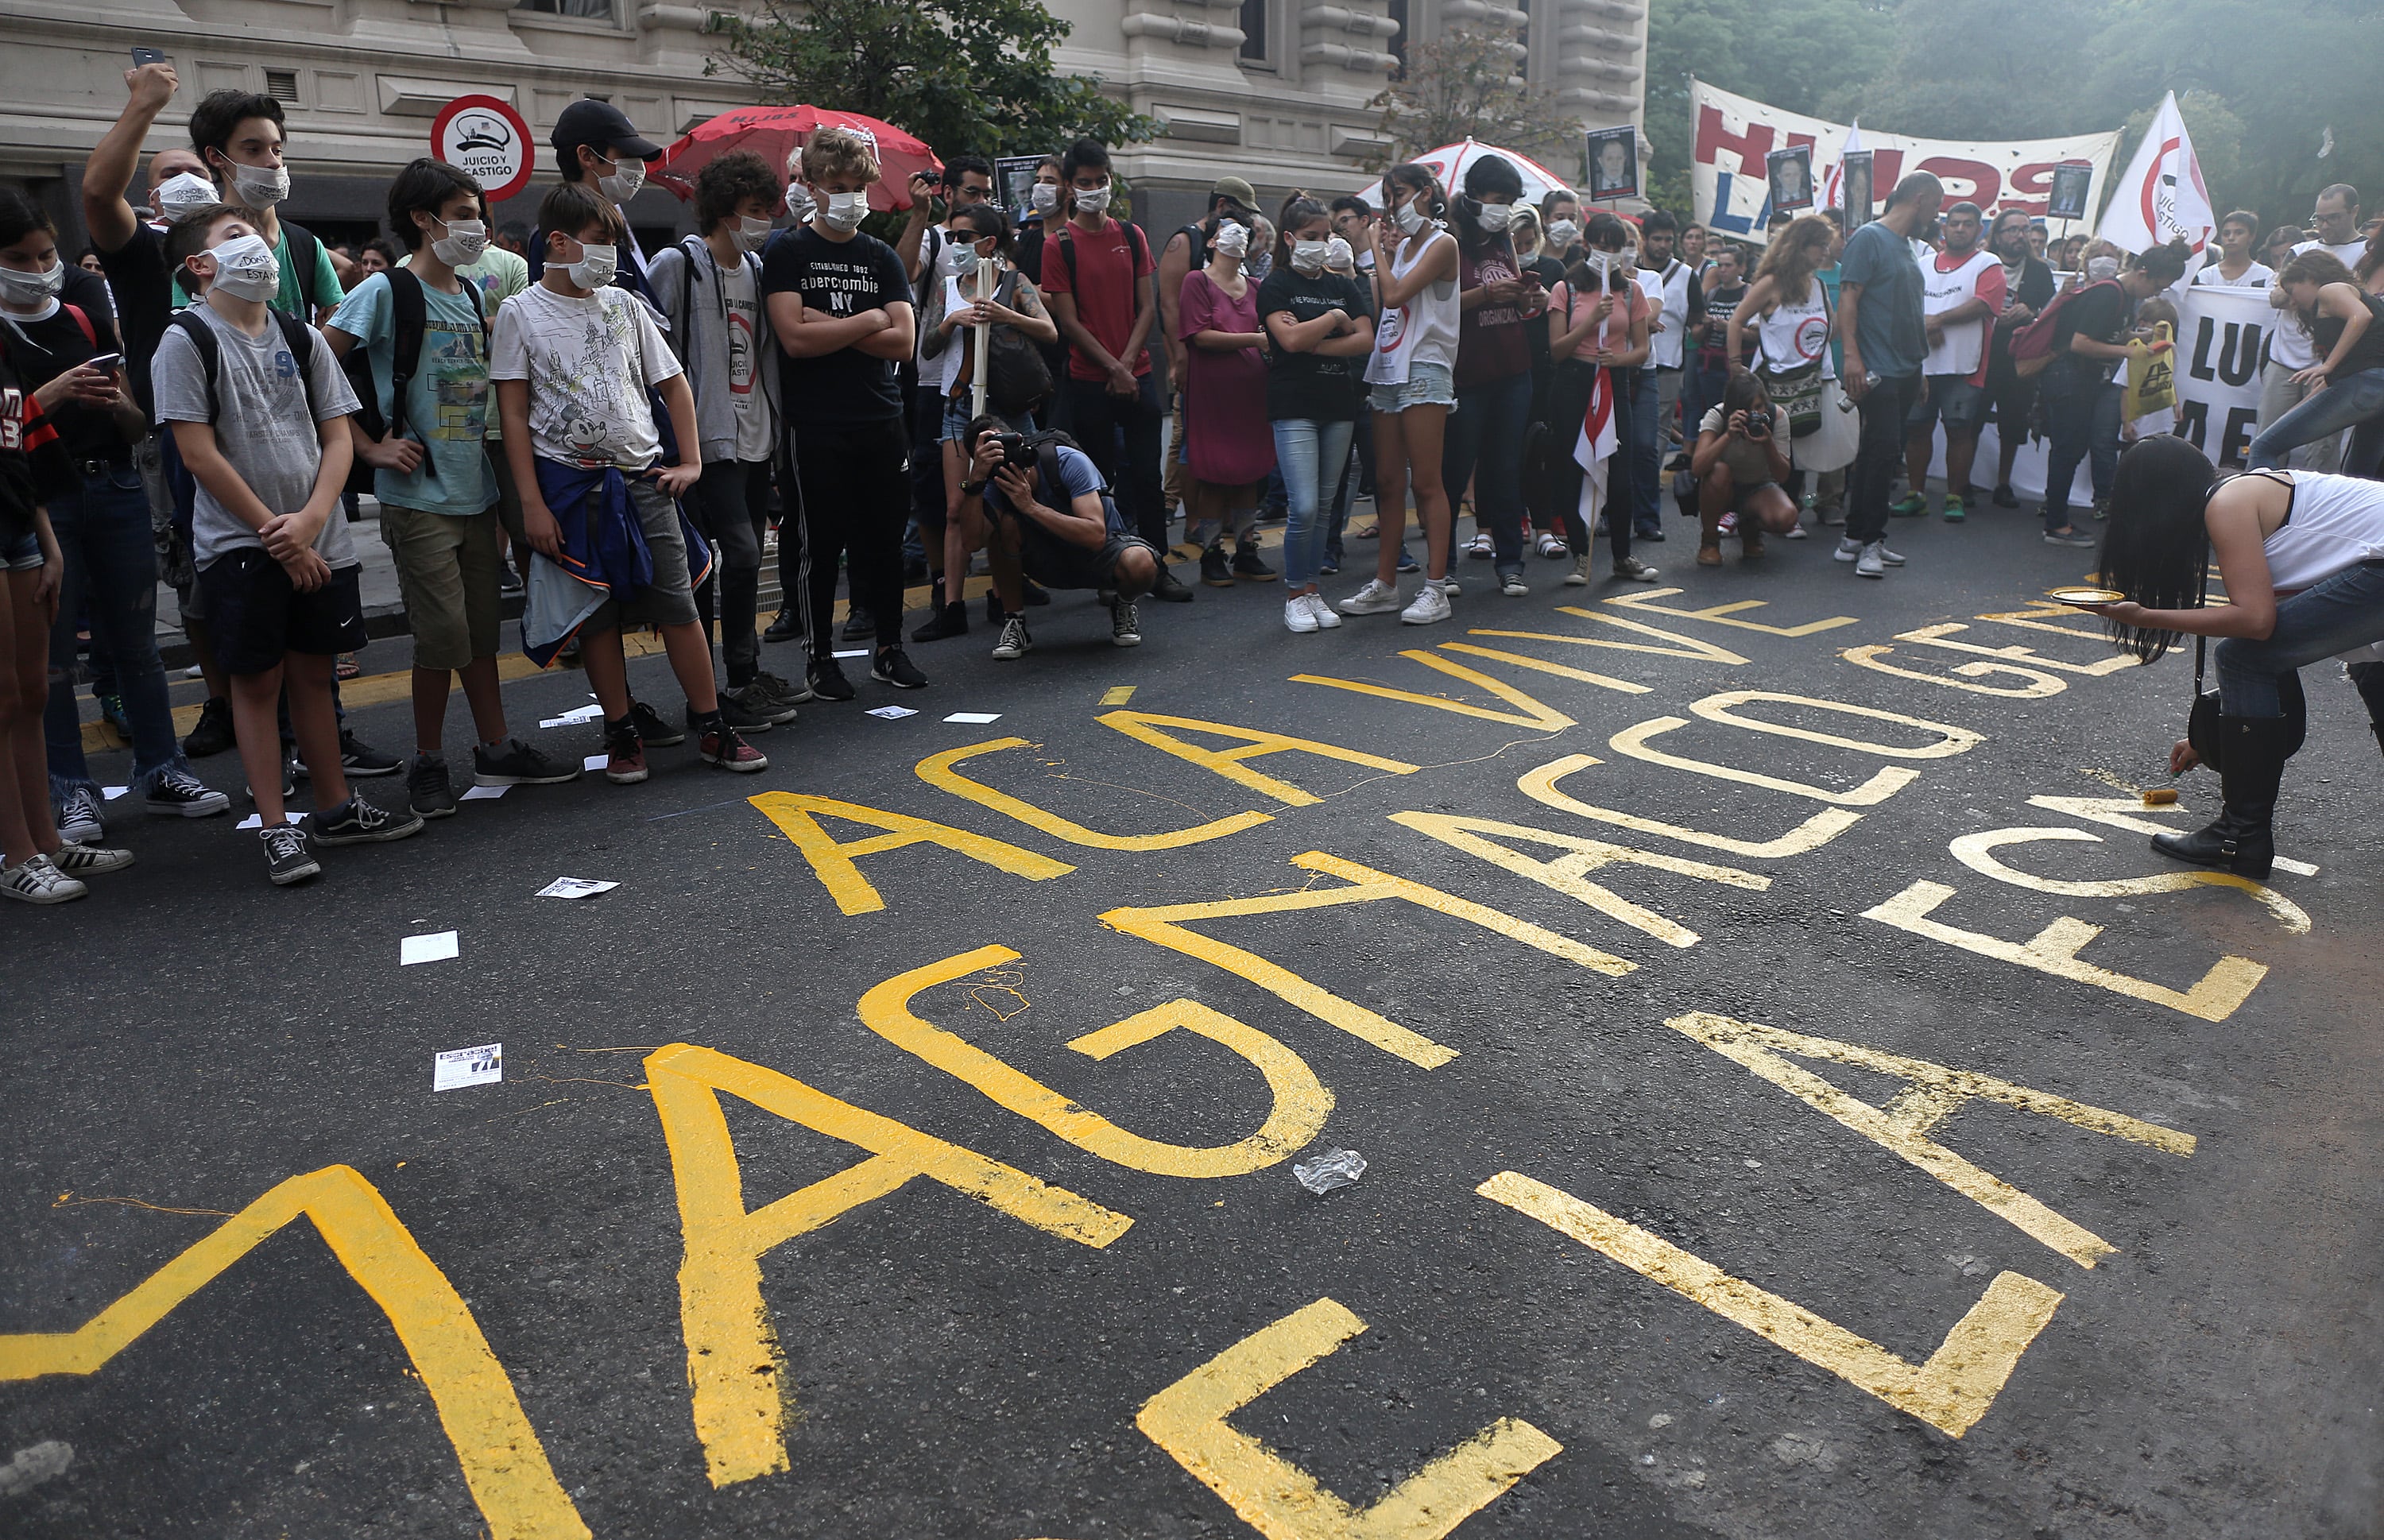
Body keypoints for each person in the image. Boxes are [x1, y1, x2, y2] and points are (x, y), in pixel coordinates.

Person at [155, 204, 424, 882]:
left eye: (256, 236)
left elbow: (337, 434)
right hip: (242, 545)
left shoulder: (298, 336)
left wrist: (311, 519)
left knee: (315, 672)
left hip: (319, 535)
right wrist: (279, 534)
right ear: (199, 264)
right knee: (256, 682)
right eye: (234, 237)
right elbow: (197, 454)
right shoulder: (185, 339)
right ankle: (276, 827)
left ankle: (334, 808)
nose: (256, 248)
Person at [323, 160, 579, 819]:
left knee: (479, 631)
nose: (477, 227)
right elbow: (317, 365)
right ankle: (430, 761)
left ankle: (494, 745)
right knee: (441, 638)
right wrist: (368, 445)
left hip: (475, 491)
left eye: (478, 214)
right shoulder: (387, 292)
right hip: (417, 499)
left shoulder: (468, 294)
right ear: (422, 218)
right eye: (464, 214)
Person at [493, 181, 767, 784]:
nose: (609, 258)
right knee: (596, 615)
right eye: (598, 243)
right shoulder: (520, 313)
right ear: (558, 242)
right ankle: (621, 733)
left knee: (680, 606)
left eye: (615, 244)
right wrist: (531, 506)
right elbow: (513, 414)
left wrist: (690, 462)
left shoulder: (624, 306)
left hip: (645, 480)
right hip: (571, 491)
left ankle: (711, 723)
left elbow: (673, 385)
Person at [0, 188, 231, 850]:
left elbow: (136, 423)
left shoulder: (81, 309)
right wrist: (55, 394)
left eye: (46, 252)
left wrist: (113, 402)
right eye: (19, 257)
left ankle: (163, 770)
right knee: (49, 663)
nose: (38, 266)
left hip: (115, 483)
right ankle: (68, 789)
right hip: (42, 504)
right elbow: (7, 427)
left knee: (136, 644)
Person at [2084, 435, 2384, 878]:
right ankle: (2241, 835)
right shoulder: (2247, 492)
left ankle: (2240, 836)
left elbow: (2255, 623)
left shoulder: (2226, 505)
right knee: (2372, 672)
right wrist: (2223, 736)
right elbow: (2279, 630)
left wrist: (2145, 614)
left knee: (2242, 656)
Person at [759, 129, 928, 702]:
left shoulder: (879, 256)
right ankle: (819, 657)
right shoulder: (786, 252)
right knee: (820, 544)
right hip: (816, 424)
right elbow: (794, 341)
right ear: (810, 185)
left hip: (881, 417)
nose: (849, 198)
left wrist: (829, 325)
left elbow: (904, 342)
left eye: (858, 187)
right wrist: (869, 321)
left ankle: (888, 647)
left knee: (883, 541)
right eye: (836, 186)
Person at [648, 151, 807, 730]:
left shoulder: (759, 271)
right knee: (735, 554)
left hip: (753, 435)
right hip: (705, 438)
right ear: (721, 211)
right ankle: (729, 683)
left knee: (735, 558)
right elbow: (654, 353)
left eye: (767, 210)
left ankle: (737, 678)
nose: (762, 221)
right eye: (752, 211)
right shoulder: (677, 265)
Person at [1, 327, 131, 901]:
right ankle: (17, 855)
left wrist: (46, 541)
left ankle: (46, 842)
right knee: (4, 697)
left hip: (18, 527)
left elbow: (22, 441)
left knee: (33, 693)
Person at [1040, 141, 1187, 600]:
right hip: (1087, 379)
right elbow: (1068, 321)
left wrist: (1126, 365)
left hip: (1135, 372)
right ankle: (1110, 571)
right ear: (1069, 185)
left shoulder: (1131, 234)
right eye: (1083, 182)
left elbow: (1147, 307)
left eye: (1100, 180)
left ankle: (1157, 565)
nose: (1093, 189)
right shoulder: (1057, 245)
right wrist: (1111, 366)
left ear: (1110, 179)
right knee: (1099, 482)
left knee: (1146, 476)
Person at [914, 203, 1058, 640]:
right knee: (958, 507)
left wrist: (1004, 315)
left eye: (963, 237)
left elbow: (1048, 330)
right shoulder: (949, 288)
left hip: (1008, 408)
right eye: (953, 236)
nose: (955, 244)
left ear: (988, 242)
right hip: (959, 406)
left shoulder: (1014, 282)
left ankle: (1004, 595)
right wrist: (952, 321)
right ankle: (951, 605)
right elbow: (928, 350)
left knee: (1013, 504)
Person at [1340, 162, 1462, 625]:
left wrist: (1375, 248)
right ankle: (1386, 584)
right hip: (1389, 367)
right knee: (1388, 482)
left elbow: (1394, 297)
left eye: (1402, 193)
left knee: (1426, 481)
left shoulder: (1442, 242)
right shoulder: (1405, 247)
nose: (1393, 204)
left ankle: (1436, 588)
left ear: (1428, 193)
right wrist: (1386, 254)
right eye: (1389, 195)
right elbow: (1383, 304)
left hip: (1426, 367)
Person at [952, 416, 1158, 659]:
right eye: (989, 450)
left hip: (1097, 555)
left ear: (1019, 442)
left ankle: (1123, 603)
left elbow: (1095, 536)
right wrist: (974, 482)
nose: (1002, 457)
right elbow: (971, 542)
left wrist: (1031, 507)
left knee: (1141, 564)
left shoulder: (1064, 461)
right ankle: (1014, 621)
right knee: (1003, 525)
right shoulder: (990, 484)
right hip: (1046, 561)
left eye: (1002, 444)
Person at [1260, 195, 1373, 633]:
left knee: (1325, 507)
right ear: (1289, 239)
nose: (1322, 244)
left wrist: (1314, 338)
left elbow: (1364, 339)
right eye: (1312, 237)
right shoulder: (1276, 285)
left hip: (1337, 403)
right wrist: (1334, 319)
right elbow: (1286, 342)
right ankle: (1294, 593)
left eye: (1327, 236)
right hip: (1293, 404)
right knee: (1303, 506)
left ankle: (1312, 590)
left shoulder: (1343, 284)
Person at [2039, 241, 2192, 548]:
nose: (2155, 294)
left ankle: (2057, 517)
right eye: (2157, 287)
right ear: (2143, 272)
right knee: (2068, 451)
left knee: (2072, 449)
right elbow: (2080, 343)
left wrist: (2143, 338)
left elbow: (2109, 334)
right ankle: (2056, 523)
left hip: (2080, 378)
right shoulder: (2110, 294)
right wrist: (2129, 351)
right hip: (2070, 375)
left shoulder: (2121, 296)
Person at [1443, 154, 1544, 596]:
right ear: (1475, 196)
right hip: (1467, 373)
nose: (1503, 208)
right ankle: (1441, 566)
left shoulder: (1504, 240)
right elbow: (1437, 305)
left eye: (1509, 201)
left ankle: (1510, 564)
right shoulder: (1449, 242)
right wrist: (1485, 293)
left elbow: (1519, 298)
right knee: (1454, 470)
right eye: (1498, 199)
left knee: (1505, 469)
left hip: (1512, 370)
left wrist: (1529, 299)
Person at [1836, 172, 1941, 578]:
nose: (1935, 217)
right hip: (1877, 368)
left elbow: (1908, 310)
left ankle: (1853, 537)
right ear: (1919, 199)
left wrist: (1920, 368)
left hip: (1906, 367)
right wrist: (1851, 357)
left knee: (1877, 454)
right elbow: (1848, 299)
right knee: (1882, 455)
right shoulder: (1869, 238)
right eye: (1934, 207)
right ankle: (1871, 543)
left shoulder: (1906, 246)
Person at [1545, 213, 1658, 586]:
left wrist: (1617, 360)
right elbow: (1557, 351)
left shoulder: (1631, 291)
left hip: (1614, 383)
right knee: (1572, 467)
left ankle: (1622, 555)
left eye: (1617, 245)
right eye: (1602, 244)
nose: (1609, 252)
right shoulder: (1567, 289)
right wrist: (1593, 318)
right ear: (1587, 245)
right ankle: (1581, 554)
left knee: (1620, 472)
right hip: (1574, 382)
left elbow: (1641, 349)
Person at [1176, 211, 1276, 586]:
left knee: (1250, 470)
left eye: (1242, 229)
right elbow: (1199, 335)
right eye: (1225, 229)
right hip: (1213, 395)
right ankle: (1212, 552)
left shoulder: (1256, 286)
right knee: (1216, 473)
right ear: (1213, 241)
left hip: (1251, 394)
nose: (1235, 234)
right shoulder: (1196, 281)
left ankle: (1247, 549)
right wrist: (1254, 339)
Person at [1156, 176, 1260, 536]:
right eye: (1240, 214)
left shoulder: (1251, 279)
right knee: (1194, 449)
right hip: (1200, 372)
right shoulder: (1187, 245)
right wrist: (1177, 358)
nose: (1242, 225)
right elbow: (1169, 305)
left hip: (1245, 390)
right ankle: (1195, 523)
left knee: (1243, 462)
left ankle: (1238, 532)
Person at [1894, 200, 2004, 521]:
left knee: (1959, 431)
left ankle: (1955, 496)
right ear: (1943, 228)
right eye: (1954, 223)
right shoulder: (1925, 263)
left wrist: (1936, 320)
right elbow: (1906, 304)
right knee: (1917, 429)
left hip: (1964, 364)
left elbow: (1984, 304)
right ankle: (1916, 493)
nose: (1960, 229)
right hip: (1923, 363)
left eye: (1967, 224)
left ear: (1979, 229)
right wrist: (1926, 324)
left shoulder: (1988, 263)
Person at [2247, 251, 2384, 477]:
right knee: (2361, 475)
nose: (2292, 302)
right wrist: (2292, 414)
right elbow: (2330, 382)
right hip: (2371, 387)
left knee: (2264, 447)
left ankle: (2256, 506)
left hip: (2365, 383)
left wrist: (2328, 364)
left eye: (2292, 291)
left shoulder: (2330, 289)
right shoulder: (2337, 317)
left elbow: (2361, 316)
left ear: (2310, 277)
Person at [2262, 184, 2367, 472]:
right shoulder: (2300, 250)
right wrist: (2301, 293)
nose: (2324, 225)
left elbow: (2364, 311)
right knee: (2267, 439)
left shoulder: (2367, 253)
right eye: (2318, 219)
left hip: (2332, 365)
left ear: (2354, 212)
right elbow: (2276, 297)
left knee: (2322, 450)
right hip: (2284, 360)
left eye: (2333, 218)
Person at [530, 99, 666, 305]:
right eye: (625, 154)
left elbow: (656, 320)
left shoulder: (615, 230)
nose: (637, 167)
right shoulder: (553, 237)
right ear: (587, 156)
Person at [1983, 207, 2057, 509]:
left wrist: (2033, 313)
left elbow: (2053, 315)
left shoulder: (2040, 271)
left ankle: (2003, 483)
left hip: (2018, 360)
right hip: (1982, 356)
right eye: (2012, 229)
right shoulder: (1983, 264)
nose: (2019, 236)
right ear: (1998, 235)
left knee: (2013, 424)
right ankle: (1958, 485)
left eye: (2025, 229)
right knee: (1969, 420)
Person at [1688, 367, 1797, 564]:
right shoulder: (1718, 415)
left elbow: (1782, 476)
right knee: (1719, 472)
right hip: (1722, 487)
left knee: (1786, 518)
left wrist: (1768, 443)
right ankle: (1710, 541)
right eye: (1747, 410)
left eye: (1759, 407)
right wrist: (1728, 436)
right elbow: (1697, 467)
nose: (1754, 415)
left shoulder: (1777, 418)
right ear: (1732, 409)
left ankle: (1750, 528)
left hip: (1758, 487)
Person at [1685, 241, 1743, 434]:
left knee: (1738, 413)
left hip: (1738, 366)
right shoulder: (1711, 295)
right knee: (1715, 416)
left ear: (1741, 268)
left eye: (1729, 265)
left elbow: (1756, 333)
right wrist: (1706, 325)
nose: (1723, 270)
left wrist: (1730, 329)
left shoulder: (1749, 293)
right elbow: (1695, 332)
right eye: (1720, 265)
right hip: (1710, 368)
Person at [2193, 211, 2273, 289]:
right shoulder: (2207, 276)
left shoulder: (2265, 276)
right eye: (2226, 234)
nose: (2231, 238)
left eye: (2239, 233)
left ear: (2252, 236)